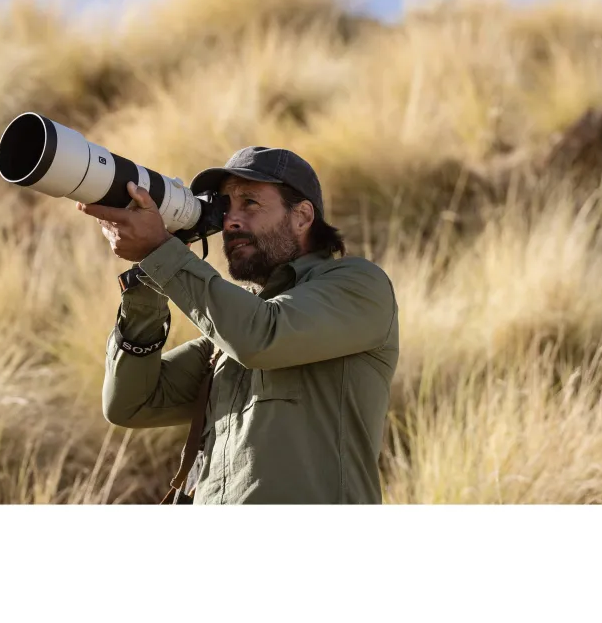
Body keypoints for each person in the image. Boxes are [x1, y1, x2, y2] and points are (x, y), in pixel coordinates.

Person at [76, 146, 399, 504]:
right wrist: (149, 280)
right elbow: (130, 404)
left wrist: (161, 251)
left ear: (302, 216)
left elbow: (261, 337)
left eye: (250, 203)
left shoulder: (359, 285)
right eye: (225, 205)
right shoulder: (227, 336)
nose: (230, 220)